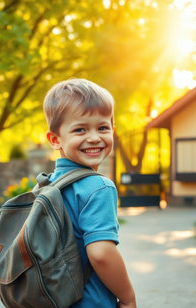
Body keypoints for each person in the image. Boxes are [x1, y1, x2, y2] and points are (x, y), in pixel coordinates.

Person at [43, 78, 136, 308]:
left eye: (102, 128)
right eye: (80, 129)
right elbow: (101, 253)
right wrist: (128, 299)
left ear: (112, 131)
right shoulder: (99, 188)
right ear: (55, 139)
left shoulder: (50, 185)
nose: (94, 137)